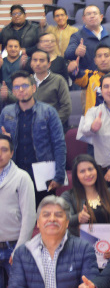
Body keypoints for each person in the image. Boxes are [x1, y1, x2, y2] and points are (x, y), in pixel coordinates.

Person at [0, 70, 66, 207]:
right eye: (16, 87)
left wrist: (59, 174)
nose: (21, 90)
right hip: (14, 173)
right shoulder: (6, 112)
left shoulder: (48, 112)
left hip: (42, 175)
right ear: (13, 91)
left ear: (33, 88)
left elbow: (59, 144)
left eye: (24, 86)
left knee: (43, 215)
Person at [0, 133, 35, 288]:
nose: (0, 154)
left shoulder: (22, 177)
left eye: (4, 150)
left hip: (13, 246)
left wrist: (19, 249)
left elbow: (29, 217)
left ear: (12, 152)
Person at [60, 154, 110, 246]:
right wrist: (78, 217)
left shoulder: (109, 193)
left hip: (108, 250)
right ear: (76, 176)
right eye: (82, 171)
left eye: (90, 169)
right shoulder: (67, 196)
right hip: (80, 250)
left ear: (97, 170)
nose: (88, 174)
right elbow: (66, 220)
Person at [72, 43, 110, 115]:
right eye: (99, 56)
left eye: (106, 56)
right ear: (95, 61)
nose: (103, 59)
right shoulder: (89, 77)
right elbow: (75, 75)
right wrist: (72, 69)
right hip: (93, 120)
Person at [64, 5, 110, 75]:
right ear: (83, 19)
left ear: (101, 17)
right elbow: (67, 54)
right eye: (88, 14)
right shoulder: (77, 36)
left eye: (95, 13)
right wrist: (75, 51)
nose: (92, 16)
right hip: (88, 81)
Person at [30, 49, 72, 128]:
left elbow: (66, 107)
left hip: (53, 126)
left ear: (49, 64)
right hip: (31, 126)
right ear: (31, 63)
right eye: (35, 60)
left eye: (41, 60)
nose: (38, 63)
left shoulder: (58, 80)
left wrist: (52, 123)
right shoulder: (27, 82)